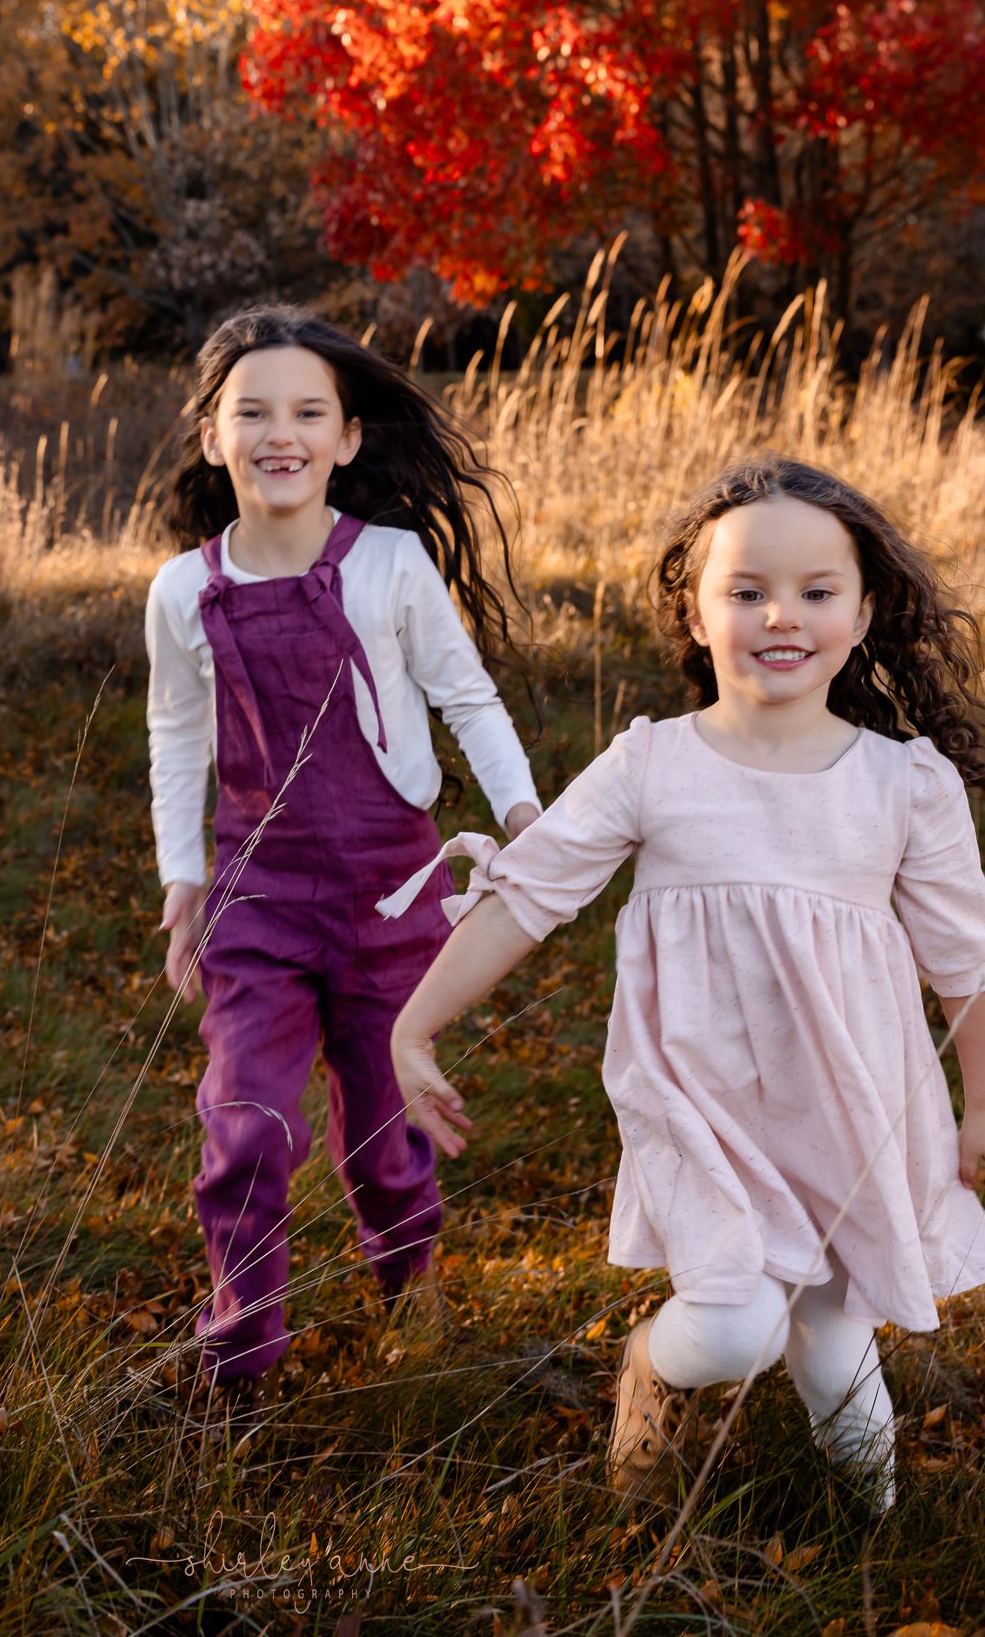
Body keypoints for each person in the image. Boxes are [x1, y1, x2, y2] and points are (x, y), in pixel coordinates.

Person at [388, 456, 985, 1510]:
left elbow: (965, 968)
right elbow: (529, 897)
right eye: (746, 590)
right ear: (696, 611)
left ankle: (875, 1537)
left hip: (851, 1102)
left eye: (816, 590)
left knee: (836, 1335)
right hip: (698, 1099)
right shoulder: (654, 764)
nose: (780, 616)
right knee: (736, 1320)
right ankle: (651, 1373)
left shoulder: (905, 783)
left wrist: (981, 1107)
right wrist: (415, 1026)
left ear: (865, 609)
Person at [146, 304, 539, 1406]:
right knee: (246, 1124)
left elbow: (466, 692)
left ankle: (410, 1277)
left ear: (348, 438)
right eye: (252, 410)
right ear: (213, 436)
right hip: (254, 896)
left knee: (382, 1126)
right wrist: (184, 879)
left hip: (389, 888)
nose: (282, 431)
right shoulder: (185, 589)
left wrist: (522, 814)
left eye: (309, 411)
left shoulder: (392, 563)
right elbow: (176, 735)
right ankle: (239, 1354)